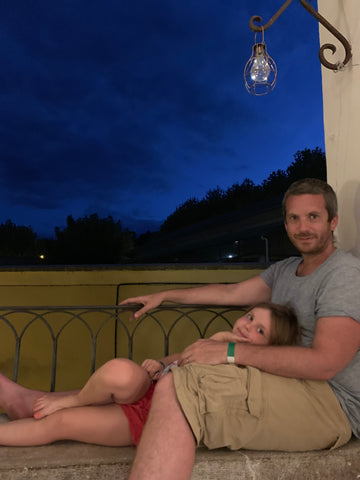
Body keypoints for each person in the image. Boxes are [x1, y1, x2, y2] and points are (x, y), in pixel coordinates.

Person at [120, 178, 360, 480]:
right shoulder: (285, 270)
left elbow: (326, 364)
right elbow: (230, 294)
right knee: (178, 376)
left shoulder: (345, 275)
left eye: (313, 217)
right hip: (290, 385)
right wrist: (165, 295)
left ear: (332, 221)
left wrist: (230, 352)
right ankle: (61, 410)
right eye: (294, 218)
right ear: (285, 224)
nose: (303, 227)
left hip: (332, 404)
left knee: (180, 385)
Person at [0, 302, 298, 446]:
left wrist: (224, 350)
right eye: (249, 317)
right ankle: (51, 400)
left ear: (273, 346)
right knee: (120, 371)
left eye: (260, 330)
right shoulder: (221, 341)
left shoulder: (248, 370)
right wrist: (159, 363)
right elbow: (182, 359)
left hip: (154, 416)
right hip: (149, 388)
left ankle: (63, 403)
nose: (246, 326)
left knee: (59, 422)